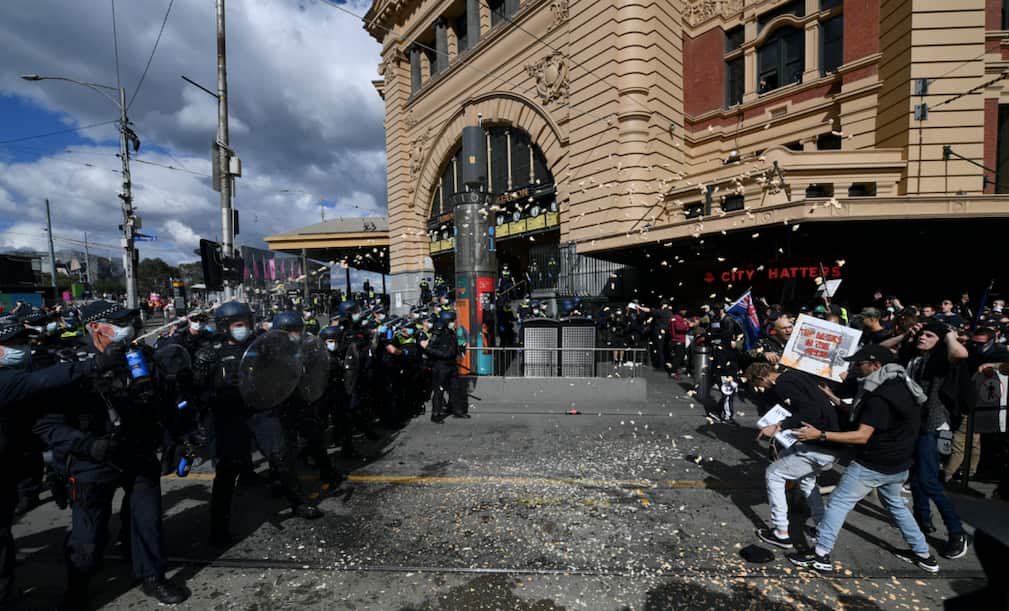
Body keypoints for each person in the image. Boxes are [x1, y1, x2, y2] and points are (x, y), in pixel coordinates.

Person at [32, 300, 189, 608]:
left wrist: (177, 438)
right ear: (94, 327)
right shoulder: (67, 365)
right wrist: (86, 445)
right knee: (88, 538)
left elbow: (165, 402)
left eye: (129, 322)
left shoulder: (140, 356)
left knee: (147, 520)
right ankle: (78, 584)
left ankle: (152, 576)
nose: (126, 329)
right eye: (117, 322)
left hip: (137, 450)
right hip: (91, 459)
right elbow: (47, 425)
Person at [787, 344, 940, 574]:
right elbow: (870, 420)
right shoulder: (903, 385)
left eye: (859, 364)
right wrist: (835, 399)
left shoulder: (879, 396)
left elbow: (862, 435)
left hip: (874, 463)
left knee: (838, 502)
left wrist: (820, 434)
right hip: (899, 463)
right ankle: (924, 555)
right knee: (896, 505)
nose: (854, 368)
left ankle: (820, 555)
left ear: (876, 365)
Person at [193, 303, 322, 550]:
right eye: (238, 324)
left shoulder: (262, 345)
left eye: (246, 322)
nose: (244, 328)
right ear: (224, 327)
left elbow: (282, 370)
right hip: (230, 416)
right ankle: (219, 526)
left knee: (281, 456)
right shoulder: (210, 354)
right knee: (227, 471)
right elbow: (198, 390)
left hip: (261, 410)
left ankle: (297, 501)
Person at [0, 322, 106, 608]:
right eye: (13, 344)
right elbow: (41, 382)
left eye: (24, 342)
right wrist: (91, 364)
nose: (22, 349)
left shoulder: (19, 372)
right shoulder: (7, 380)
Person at [891, 319, 971, 558]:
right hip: (915, 426)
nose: (922, 338)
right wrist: (908, 333)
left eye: (929, 335)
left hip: (937, 427)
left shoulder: (943, 360)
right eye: (921, 335)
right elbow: (883, 347)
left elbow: (961, 352)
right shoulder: (914, 358)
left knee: (928, 480)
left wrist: (947, 334)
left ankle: (957, 532)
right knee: (916, 477)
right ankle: (922, 522)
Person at [745, 362, 843, 550]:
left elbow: (810, 410)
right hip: (824, 441)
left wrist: (779, 426)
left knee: (774, 474)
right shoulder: (792, 376)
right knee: (807, 481)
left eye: (757, 384)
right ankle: (822, 526)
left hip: (819, 444)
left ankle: (781, 532)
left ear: (762, 378)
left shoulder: (783, 384)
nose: (759, 388)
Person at [424, 309, 460, 423]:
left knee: (455, 388)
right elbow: (429, 348)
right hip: (441, 365)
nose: (454, 323)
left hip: (452, 364)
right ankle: (435, 415)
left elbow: (453, 346)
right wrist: (442, 354)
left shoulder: (451, 332)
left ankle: (456, 411)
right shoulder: (438, 332)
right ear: (446, 321)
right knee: (439, 390)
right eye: (452, 321)